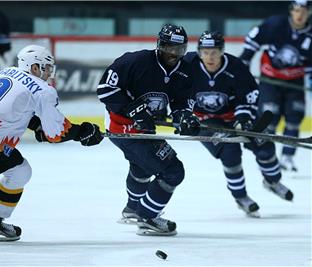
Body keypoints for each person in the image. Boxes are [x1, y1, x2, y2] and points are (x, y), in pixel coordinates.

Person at [0, 45, 104, 242]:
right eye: (46, 67)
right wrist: (84, 131)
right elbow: (57, 132)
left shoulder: (7, 72)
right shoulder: (43, 90)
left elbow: (13, 110)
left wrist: (37, 126)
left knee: (20, 171)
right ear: (33, 67)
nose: (49, 72)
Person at [97, 24, 199, 236]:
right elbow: (105, 89)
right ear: (159, 45)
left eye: (178, 50)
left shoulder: (185, 71)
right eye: (169, 48)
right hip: (123, 128)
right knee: (173, 171)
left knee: (142, 167)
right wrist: (135, 110)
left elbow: (182, 100)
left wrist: (184, 116)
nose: (173, 54)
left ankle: (133, 210)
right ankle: (148, 217)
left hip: (145, 129)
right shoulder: (135, 61)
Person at [182, 31, 294, 217]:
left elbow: (249, 96)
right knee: (230, 152)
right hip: (204, 120)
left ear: (222, 52)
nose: (210, 57)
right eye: (205, 52)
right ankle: (241, 197)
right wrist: (182, 115)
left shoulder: (235, 67)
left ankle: (273, 182)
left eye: (214, 52)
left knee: (264, 146)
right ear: (199, 52)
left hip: (235, 116)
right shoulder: (187, 65)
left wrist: (243, 118)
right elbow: (172, 90)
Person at [240, 0, 312, 172]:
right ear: (291, 11)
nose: (299, 14)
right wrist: (244, 62)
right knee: (268, 118)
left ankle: (287, 156)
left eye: (303, 10)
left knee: (294, 119)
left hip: (295, 83)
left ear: (309, 12)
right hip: (270, 80)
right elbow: (252, 40)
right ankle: (266, 155)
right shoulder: (276, 24)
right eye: (296, 10)